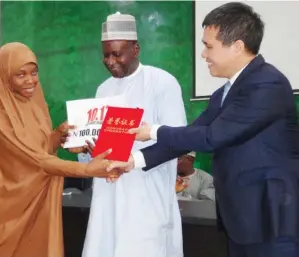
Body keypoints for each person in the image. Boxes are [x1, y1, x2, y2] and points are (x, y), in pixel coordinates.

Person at [109, 3, 299, 257]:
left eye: (209, 46)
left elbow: (212, 137)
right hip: (243, 220)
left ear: (237, 46)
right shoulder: (224, 93)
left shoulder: (267, 84)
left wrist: (153, 130)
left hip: (272, 219)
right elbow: (191, 135)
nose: (203, 54)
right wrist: (133, 160)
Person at [0, 42, 120, 257]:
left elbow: (38, 147)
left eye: (34, 72)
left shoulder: (35, 104)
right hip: (7, 211)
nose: (30, 81)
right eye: (21, 75)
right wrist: (88, 170)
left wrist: (58, 136)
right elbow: (36, 159)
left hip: (36, 200)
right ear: (5, 76)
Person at [77, 12, 187, 257]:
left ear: (135, 49)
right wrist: (86, 149)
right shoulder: (102, 89)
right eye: (106, 54)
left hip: (146, 198)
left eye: (117, 54)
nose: (110, 61)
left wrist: (133, 160)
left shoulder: (163, 83)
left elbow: (177, 142)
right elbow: (100, 148)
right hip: (107, 197)